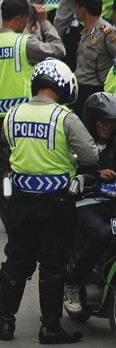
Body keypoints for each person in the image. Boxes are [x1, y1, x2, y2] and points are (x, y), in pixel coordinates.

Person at [0, 58, 98, 344]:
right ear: (64, 87)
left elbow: (7, 143)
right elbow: (90, 156)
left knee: (16, 260)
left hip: (19, 202)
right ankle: (50, 327)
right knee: (53, 265)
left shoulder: (12, 114)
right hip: (56, 203)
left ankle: (6, 323)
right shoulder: (64, 117)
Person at [0, 0, 64, 231]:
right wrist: (45, 22)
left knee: (4, 168)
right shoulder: (25, 43)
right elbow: (58, 50)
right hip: (25, 117)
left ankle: (9, 219)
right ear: (21, 18)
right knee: (28, 164)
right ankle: (30, 213)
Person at [64, 92, 116, 314]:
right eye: (102, 121)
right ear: (92, 121)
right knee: (103, 234)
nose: (106, 126)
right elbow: (69, 168)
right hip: (87, 202)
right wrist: (94, 173)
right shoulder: (79, 143)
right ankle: (73, 282)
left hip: (111, 202)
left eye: (111, 122)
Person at [71, 0, 116, 118]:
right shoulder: (86, 31)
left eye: (76, 6)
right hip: (80, 91)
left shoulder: (106, 32)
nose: (74, 10)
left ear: (82, 10)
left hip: (95, 94)